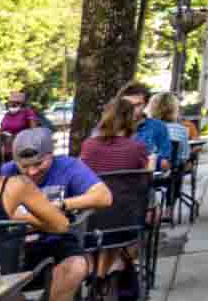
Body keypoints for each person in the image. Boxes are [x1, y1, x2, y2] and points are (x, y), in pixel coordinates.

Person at [0, 127, 110, 301]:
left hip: (55, 239)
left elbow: (104, 196)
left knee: (76, 266)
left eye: (39, 163)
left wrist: (62, 204)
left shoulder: (68, 166)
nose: (32, 172)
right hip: (14, 244)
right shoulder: (5, 172)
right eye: (25, 166)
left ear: (51, 155)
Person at [77, 99, 152, 300]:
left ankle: (97, 275)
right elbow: (145, 178)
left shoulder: (88, 146)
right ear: (130, 120)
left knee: (101, 220)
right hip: (126, 219)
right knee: (119, 215)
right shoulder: (137, 147)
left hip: (92, 218)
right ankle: (103, 275)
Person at [116, 82, 172, 173]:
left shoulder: (158, 127)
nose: (132, 109)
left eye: (137, 105)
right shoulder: (108, 126)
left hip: (143, 181)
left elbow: (165, 164)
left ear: (145, 105)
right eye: (127, 104)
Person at [0, 89, 47, 157]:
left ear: (21, 104)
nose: (12, 104)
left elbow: (33, 129)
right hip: (7, 147)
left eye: (15, 103)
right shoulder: (7, 115)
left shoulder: (27, 112)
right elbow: (1, 129)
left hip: (22, 146)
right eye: (10, 103)